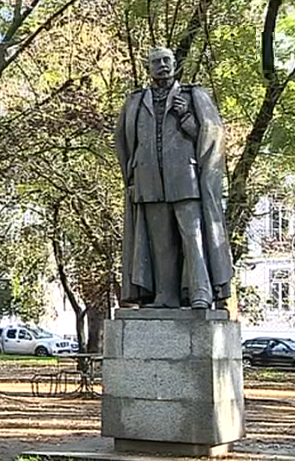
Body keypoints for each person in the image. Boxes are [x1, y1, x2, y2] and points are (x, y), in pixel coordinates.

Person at [115, 47, 233, 309]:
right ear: (148, 68)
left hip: (186, 179)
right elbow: (123, 142)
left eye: (167, 61)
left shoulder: (193, 96)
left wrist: (186, 117)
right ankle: (165, 295)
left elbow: (211, 134)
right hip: (149, 182)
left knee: (193, 236)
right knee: (161, 244)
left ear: (175, 64)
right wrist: (131, 177)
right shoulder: (135, 101)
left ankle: (200, 291)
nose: (162, 66)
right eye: (156, 62)